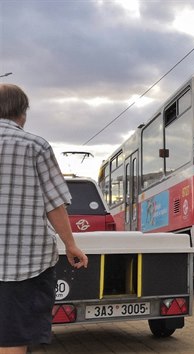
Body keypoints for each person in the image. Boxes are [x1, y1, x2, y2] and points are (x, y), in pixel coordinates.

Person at [0, 84, 89, 354]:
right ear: (22, 113)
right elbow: (55, 204)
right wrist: (71, 245)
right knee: (12, 338)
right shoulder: (35, 146)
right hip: (23, 265)